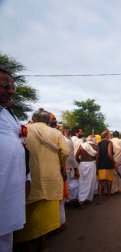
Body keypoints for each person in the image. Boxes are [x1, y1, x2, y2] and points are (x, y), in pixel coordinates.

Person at [15, 108, 69, 248]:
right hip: (51, 177)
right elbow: (65, 152)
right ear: (48, 121)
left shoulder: (23, 129)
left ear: (33, 119)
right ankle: (42, 242)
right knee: (45, 212)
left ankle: (24, 242)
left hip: (28, 176)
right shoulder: (56, 133)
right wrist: (58, 164)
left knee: (27, 209)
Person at [0, 69, 29, 252]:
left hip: (9, 190)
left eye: (12, 86)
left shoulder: (7, 115)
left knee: (5, 236)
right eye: (5, 86)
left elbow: (21, 145)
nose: (11, 91)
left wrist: (27, 177)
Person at [75, 135, 98, 208]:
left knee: (82, 182)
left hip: (82, 165)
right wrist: (97, 168)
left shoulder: (82, 145)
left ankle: (80, 200)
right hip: (92, 165)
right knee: (90, 182)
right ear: (94, 140)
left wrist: (80, 162)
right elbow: (97, 159)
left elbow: (76, 157)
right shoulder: (96, 146)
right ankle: (87, 198)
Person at [96, 130, 116, 204]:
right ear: (107, 135)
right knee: (109, 181)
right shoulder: (110, 142)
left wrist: (97, 165)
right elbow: (109, 154)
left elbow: (97, 155)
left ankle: (99, 199)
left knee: (100, 182)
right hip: (108, 164)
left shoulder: (99, 143)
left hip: (101, 164)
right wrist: (114, 163)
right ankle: (108, 197)